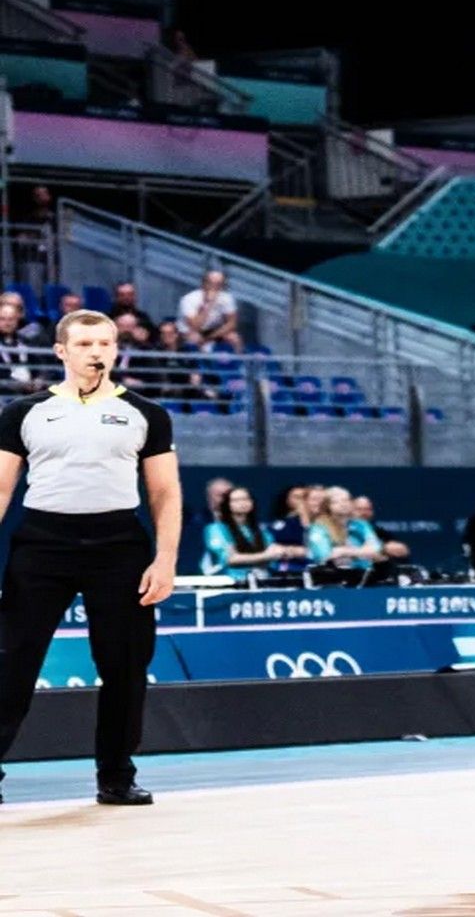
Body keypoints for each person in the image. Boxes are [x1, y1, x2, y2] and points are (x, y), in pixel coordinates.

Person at [0, 309, 180, 805]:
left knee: (125, 666)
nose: (95, 352)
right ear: (61, 351)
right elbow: (1, 489)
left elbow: (165, 493)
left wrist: (165, 559)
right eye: (83, 344)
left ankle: (116, 777)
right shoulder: (23, 412)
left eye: (104, 343)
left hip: (119, 546)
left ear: (116, 350)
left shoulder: (147, 413)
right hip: (42, 543)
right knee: (11, 662)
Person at [203, 486, 298, 577]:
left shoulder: (260, 530)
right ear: (227, 504)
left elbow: (273, 554)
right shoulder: (216, 529)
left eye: (246, 499)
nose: (242, 503)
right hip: (232, 581)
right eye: (236, 500)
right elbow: (229, 559)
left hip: (262, 580)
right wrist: (266, 556)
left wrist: (281, 552)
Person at [306, 487, 383, 581]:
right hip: (331, 579)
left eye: (346, 500)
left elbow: (376, 549)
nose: (343, 504)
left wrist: (343, 551)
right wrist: (363, 551)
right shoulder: (319, 528)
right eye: (336, 501)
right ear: (327, 506)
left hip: (365, 576)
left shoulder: (361, 524)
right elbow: (324, 556)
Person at [176, 270, 239, 348]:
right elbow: (195, 326)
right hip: (189, 330)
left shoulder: (226, 298)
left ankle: (241, 356)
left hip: (212, 330)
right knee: (195, 338)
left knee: (234, 338)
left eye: (218, 284)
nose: (214, 287)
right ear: (204, 283)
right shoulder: (189, 299)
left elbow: (231, 323)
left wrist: (209, 338)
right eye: (211, 283)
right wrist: (208, 304)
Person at [351, 496, 410, 562]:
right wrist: (380, 549)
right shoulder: (345, 531)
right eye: (359, 509)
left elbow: (403, 550)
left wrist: (389, 548)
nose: (364, 513)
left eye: (367, 509)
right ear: (351, 512)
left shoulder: (380, 532)